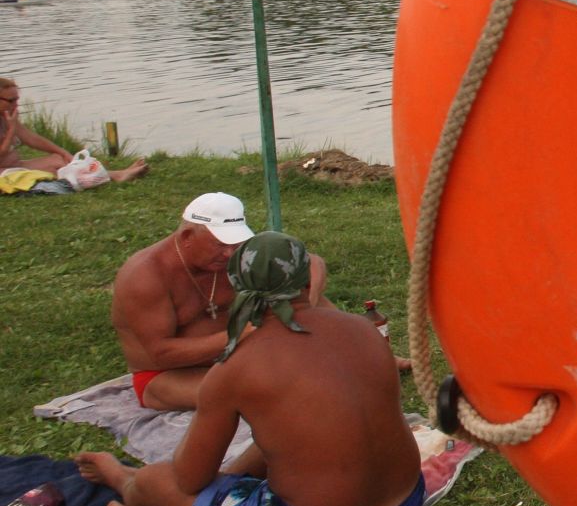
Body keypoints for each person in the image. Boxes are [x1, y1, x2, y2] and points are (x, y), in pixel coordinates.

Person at [77, 232, 426, 506]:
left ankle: (126, 484)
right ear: (307, 283)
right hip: (406, 501)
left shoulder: (237, 367)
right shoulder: (363, 330)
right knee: (287, 431)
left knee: (157, 479)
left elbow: (189, 479)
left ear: (238, 292)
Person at [112, 192, 330, 412]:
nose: (229, 253)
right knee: (270, 394)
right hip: (167, 375)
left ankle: (347, 342)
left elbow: (312, 263)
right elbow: (161, 354)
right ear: (187, 236)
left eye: (235, 243)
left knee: (300, 294)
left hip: (241, 356)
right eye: (220, 244)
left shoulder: (234, 252)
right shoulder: (145, 276)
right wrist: (242, 333)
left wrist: (307, 302)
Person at [0, 77, 148, 181]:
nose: (16, 105)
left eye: (17, 100)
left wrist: (61, 151)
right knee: (56, 169)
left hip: (15, 166)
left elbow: (31, 139)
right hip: (3, 173)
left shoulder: (7, 116)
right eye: (11, 101)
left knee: (58, 159)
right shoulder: (10, 121)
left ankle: (116, 174)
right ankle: (117, 175)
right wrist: (12, 129)